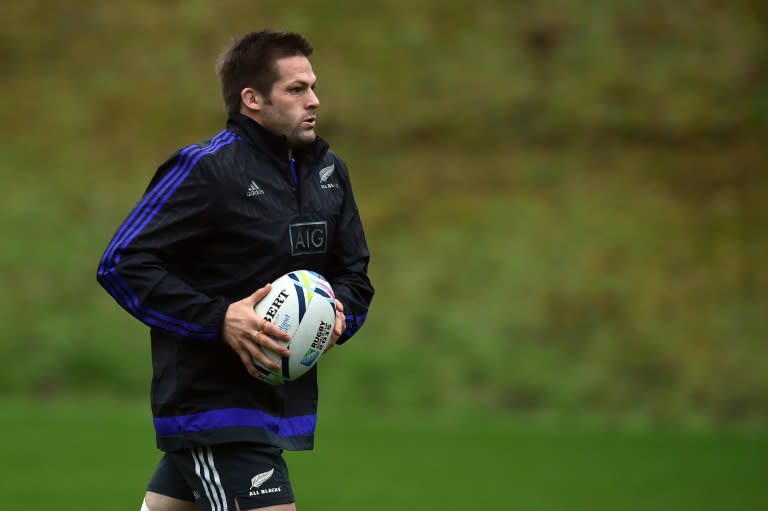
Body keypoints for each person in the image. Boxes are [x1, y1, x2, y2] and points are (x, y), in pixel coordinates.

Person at [96, 30, 374, 511]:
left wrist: (337, 315)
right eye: (296, 89)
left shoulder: (330, 172)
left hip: (275, 401)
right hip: (213, 405)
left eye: (313, 86)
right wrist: (219, 319)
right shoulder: (206, 169)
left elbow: (353, 275)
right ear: (252, 99)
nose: (314, 100)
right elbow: (123, 262)